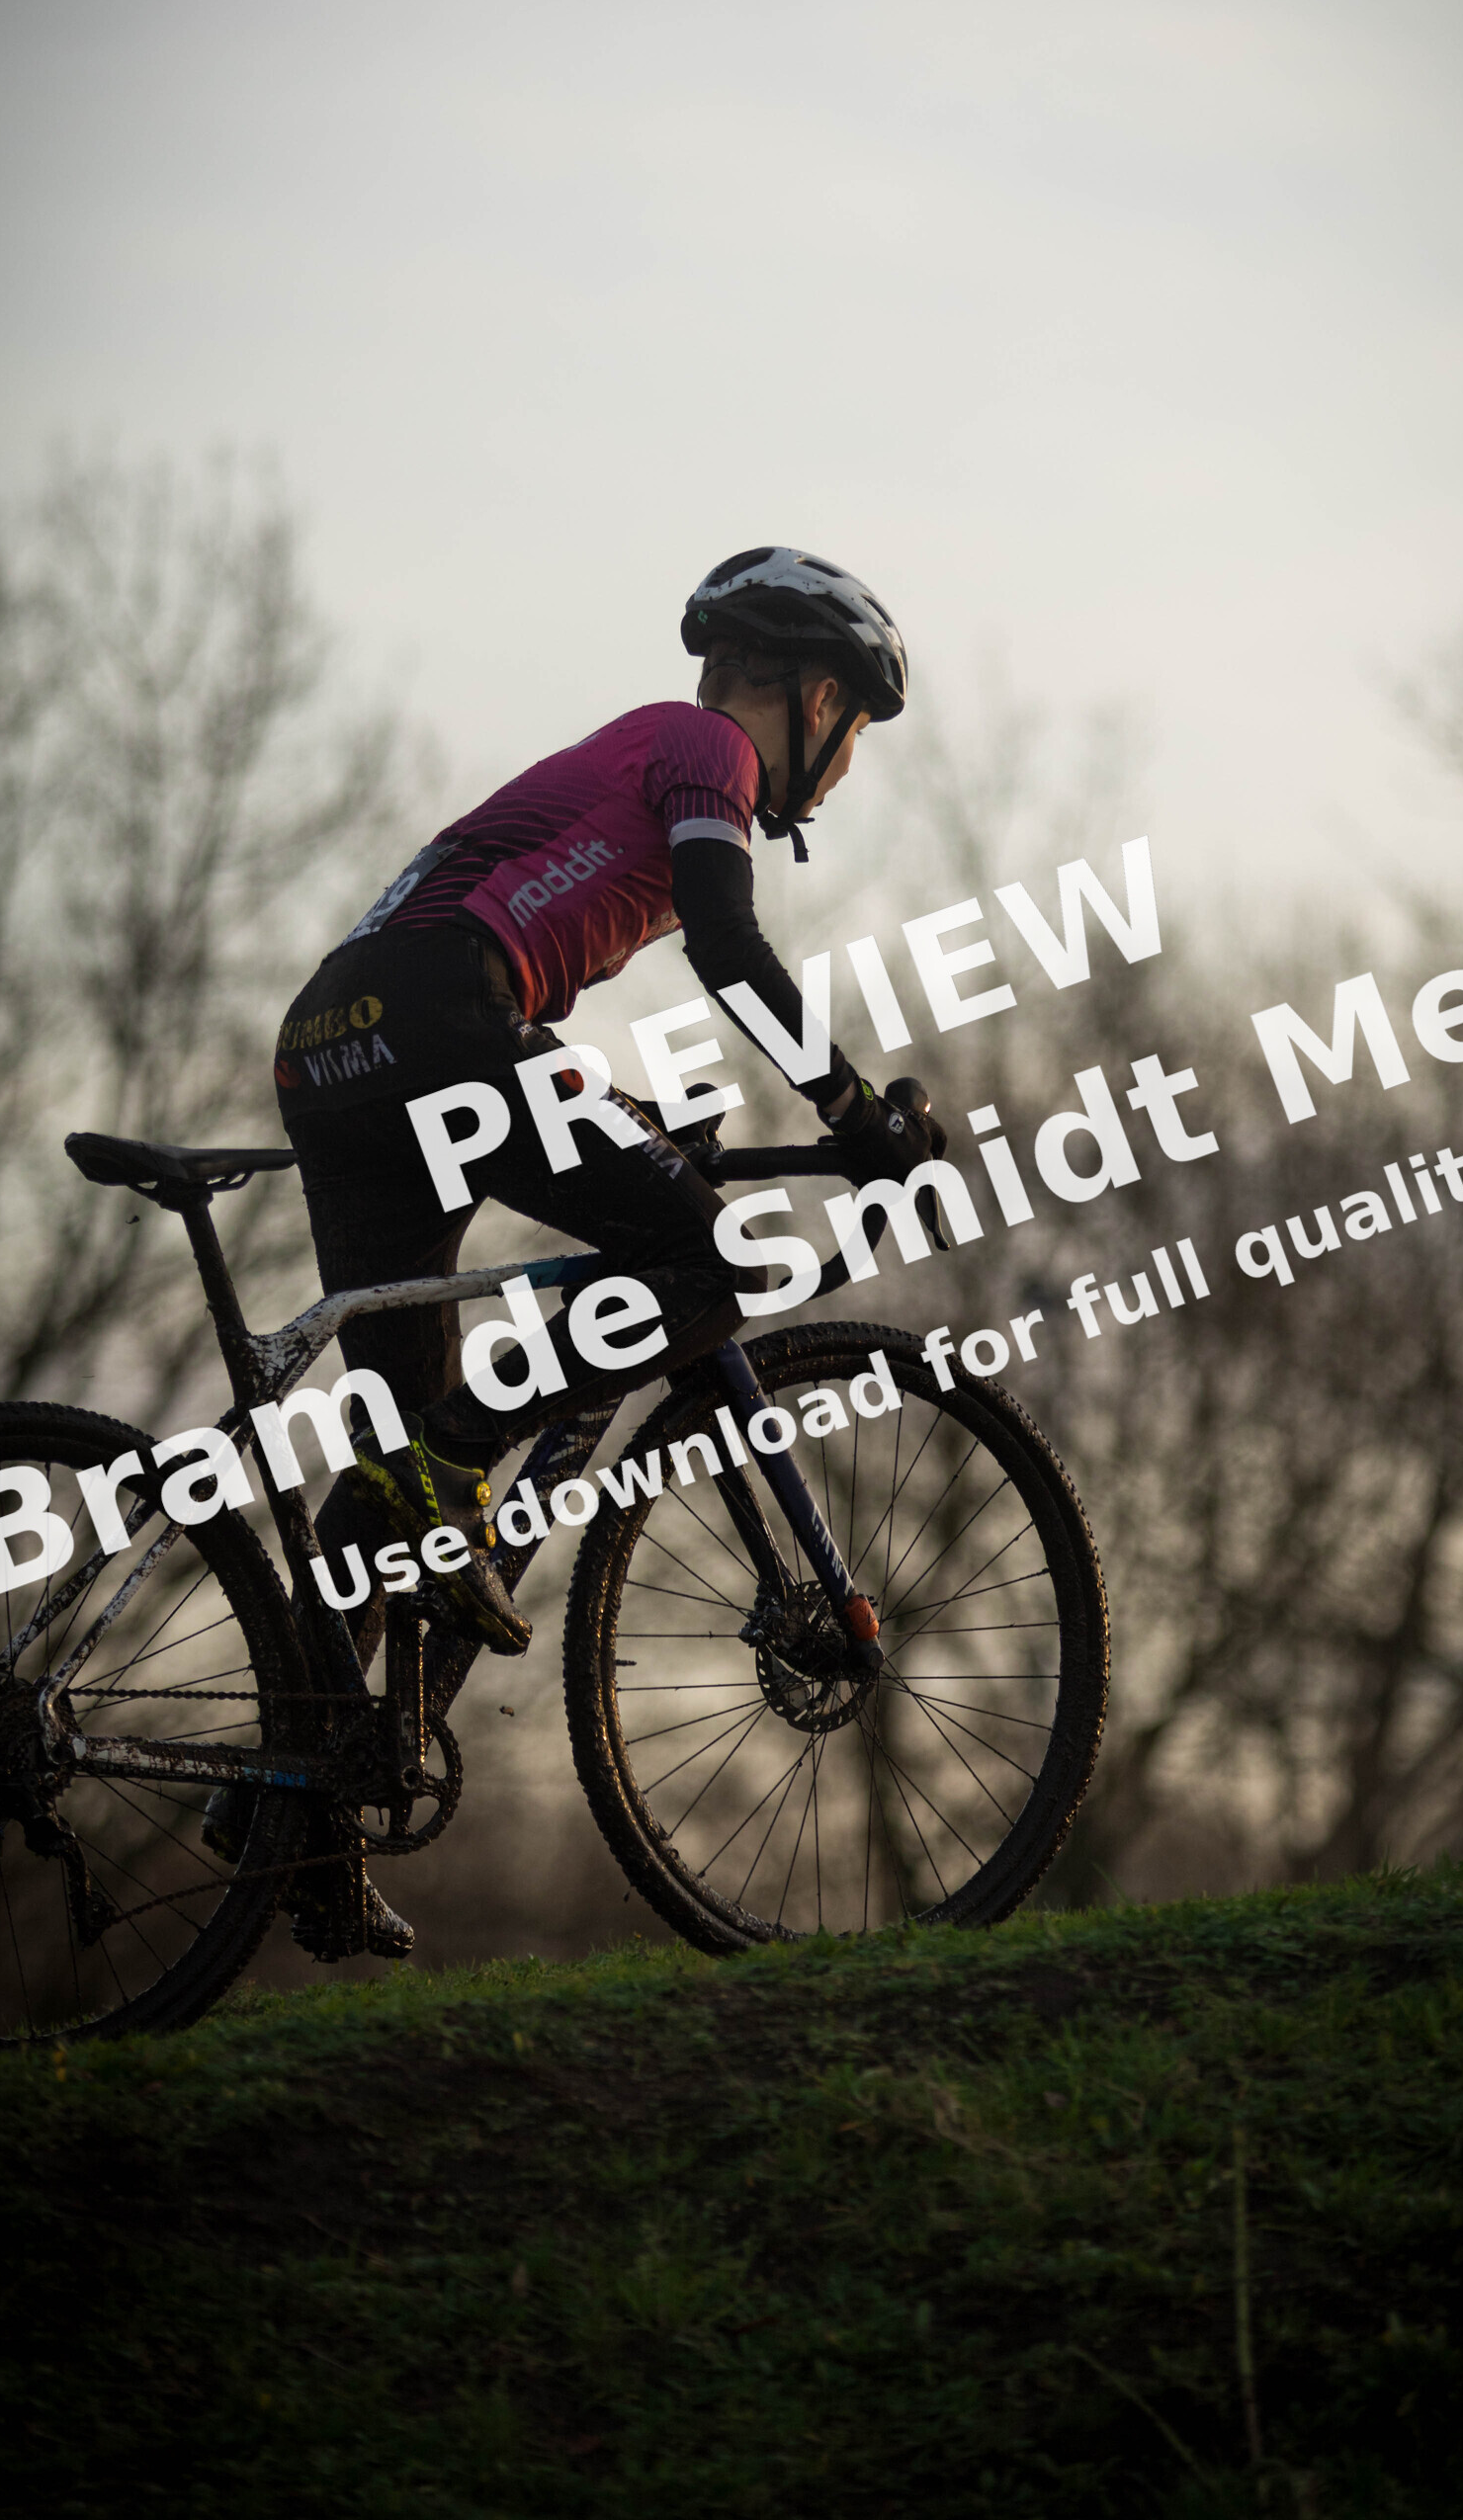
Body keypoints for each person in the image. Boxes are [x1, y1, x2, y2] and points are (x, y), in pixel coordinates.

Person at [253, 549, 945, 1959]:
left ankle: (297, 1818)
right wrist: (851, 1105)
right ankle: (456, 1444)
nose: (847, 762)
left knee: (383, 1491)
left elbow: (500, 964)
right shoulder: (703, 749)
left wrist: (630, 1119)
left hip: (340, 1040)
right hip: (445, 1025)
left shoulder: (633, 755)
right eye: (855, 731)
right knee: (711, 1265)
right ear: (815, 694)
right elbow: (729, 947)